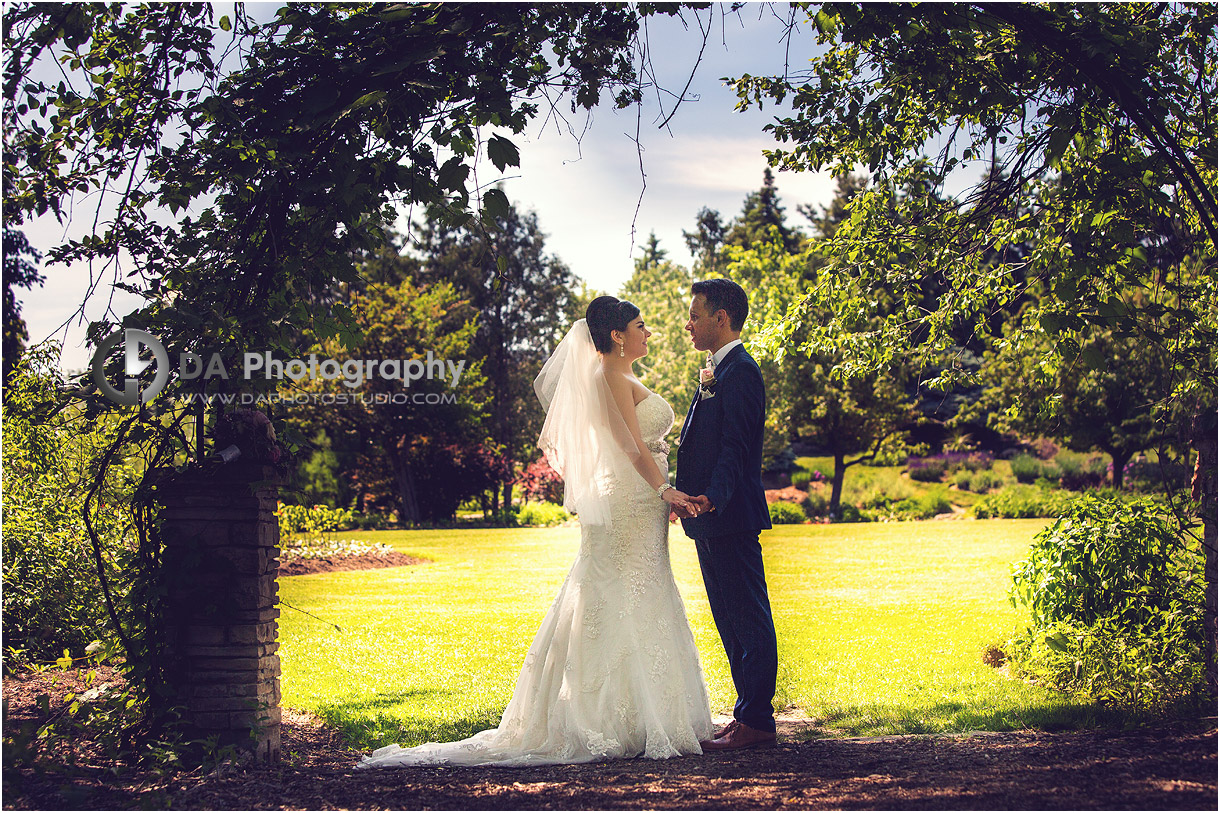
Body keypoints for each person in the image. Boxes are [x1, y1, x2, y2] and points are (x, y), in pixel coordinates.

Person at [356, 296, 714, 768]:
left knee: (641, 590)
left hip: (641, 499)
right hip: (632, 497)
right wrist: (665, 490)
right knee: (616, 592)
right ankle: (607, 715)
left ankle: (651, 710)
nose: (650, 332)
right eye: (640, 324)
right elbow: (628, 446)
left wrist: (664, 490)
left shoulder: (622, 373)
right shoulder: (607, 374)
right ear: (616, 335)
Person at [675, 278, 779, 751]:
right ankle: (745, 716)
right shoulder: (718, 370)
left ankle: (757, 720)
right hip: (709, 517)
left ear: (721, 318)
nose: (689, 323)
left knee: (748, 617)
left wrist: (712, 497)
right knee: (728, 619)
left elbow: (736, 448)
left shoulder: (742, 372)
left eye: (695, 314)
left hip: (730, 515)